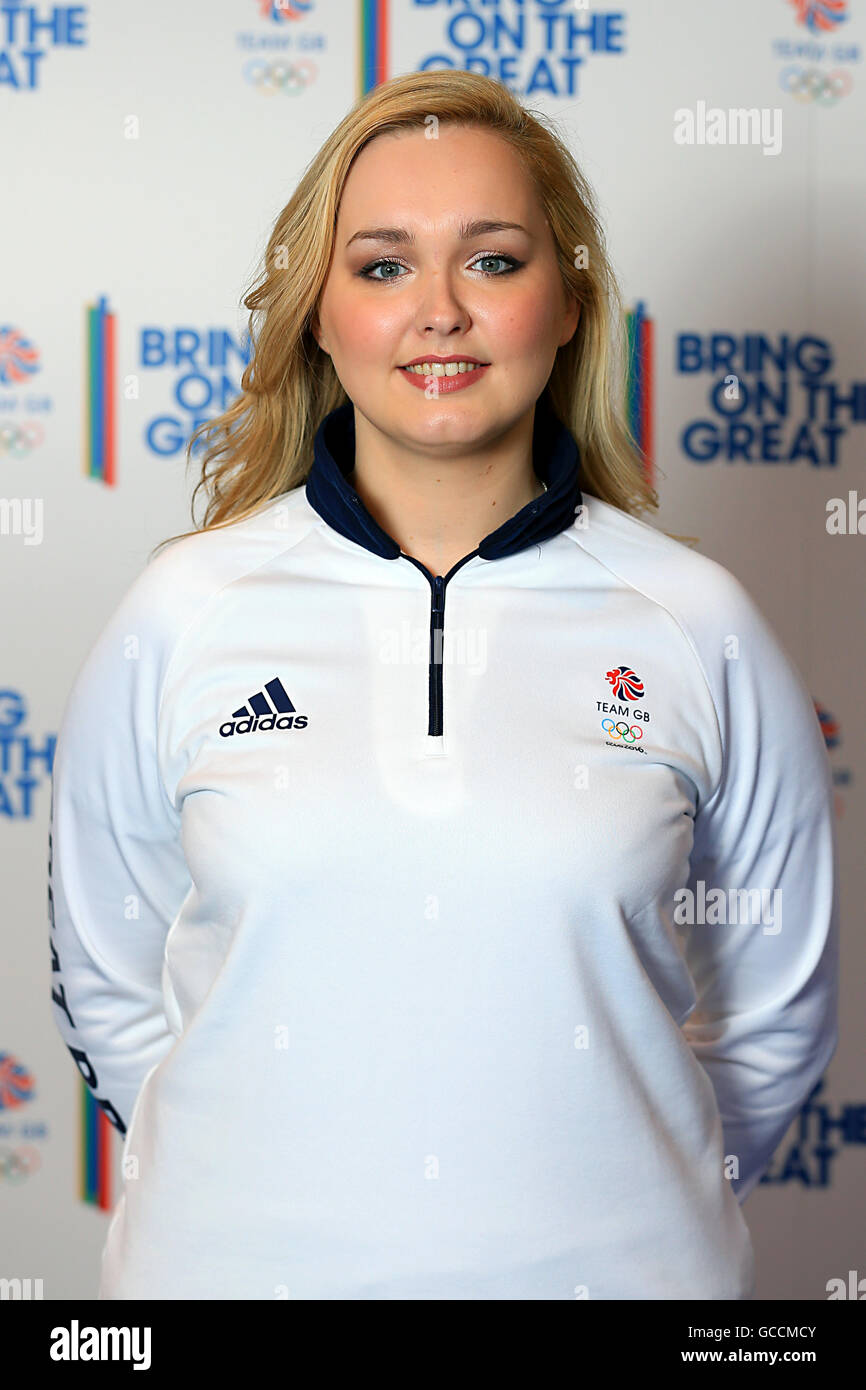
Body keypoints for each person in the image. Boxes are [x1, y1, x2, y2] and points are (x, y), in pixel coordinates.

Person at [48, 69, 838, 1300]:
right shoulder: (183, 611)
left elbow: (772, 1019)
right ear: (318, 312)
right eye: (380, 266)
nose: (437, 313)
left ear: (567, 301)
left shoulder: (694, 622)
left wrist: (614, 1216)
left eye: (491, 260)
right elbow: (110, 982)